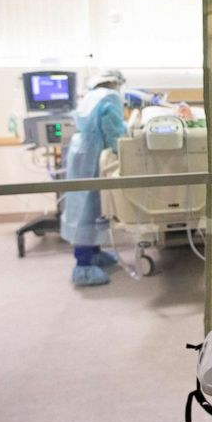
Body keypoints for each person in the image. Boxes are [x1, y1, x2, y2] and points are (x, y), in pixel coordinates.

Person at [61, 69, 126, 286]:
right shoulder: (111, 97)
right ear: (116, 83)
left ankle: (94, 252)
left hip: (80, 152)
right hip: (93, 155)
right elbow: (113, 131)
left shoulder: (91, 95)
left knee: (89, 206)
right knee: (87, 208)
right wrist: (126, 152)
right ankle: (83, 265)